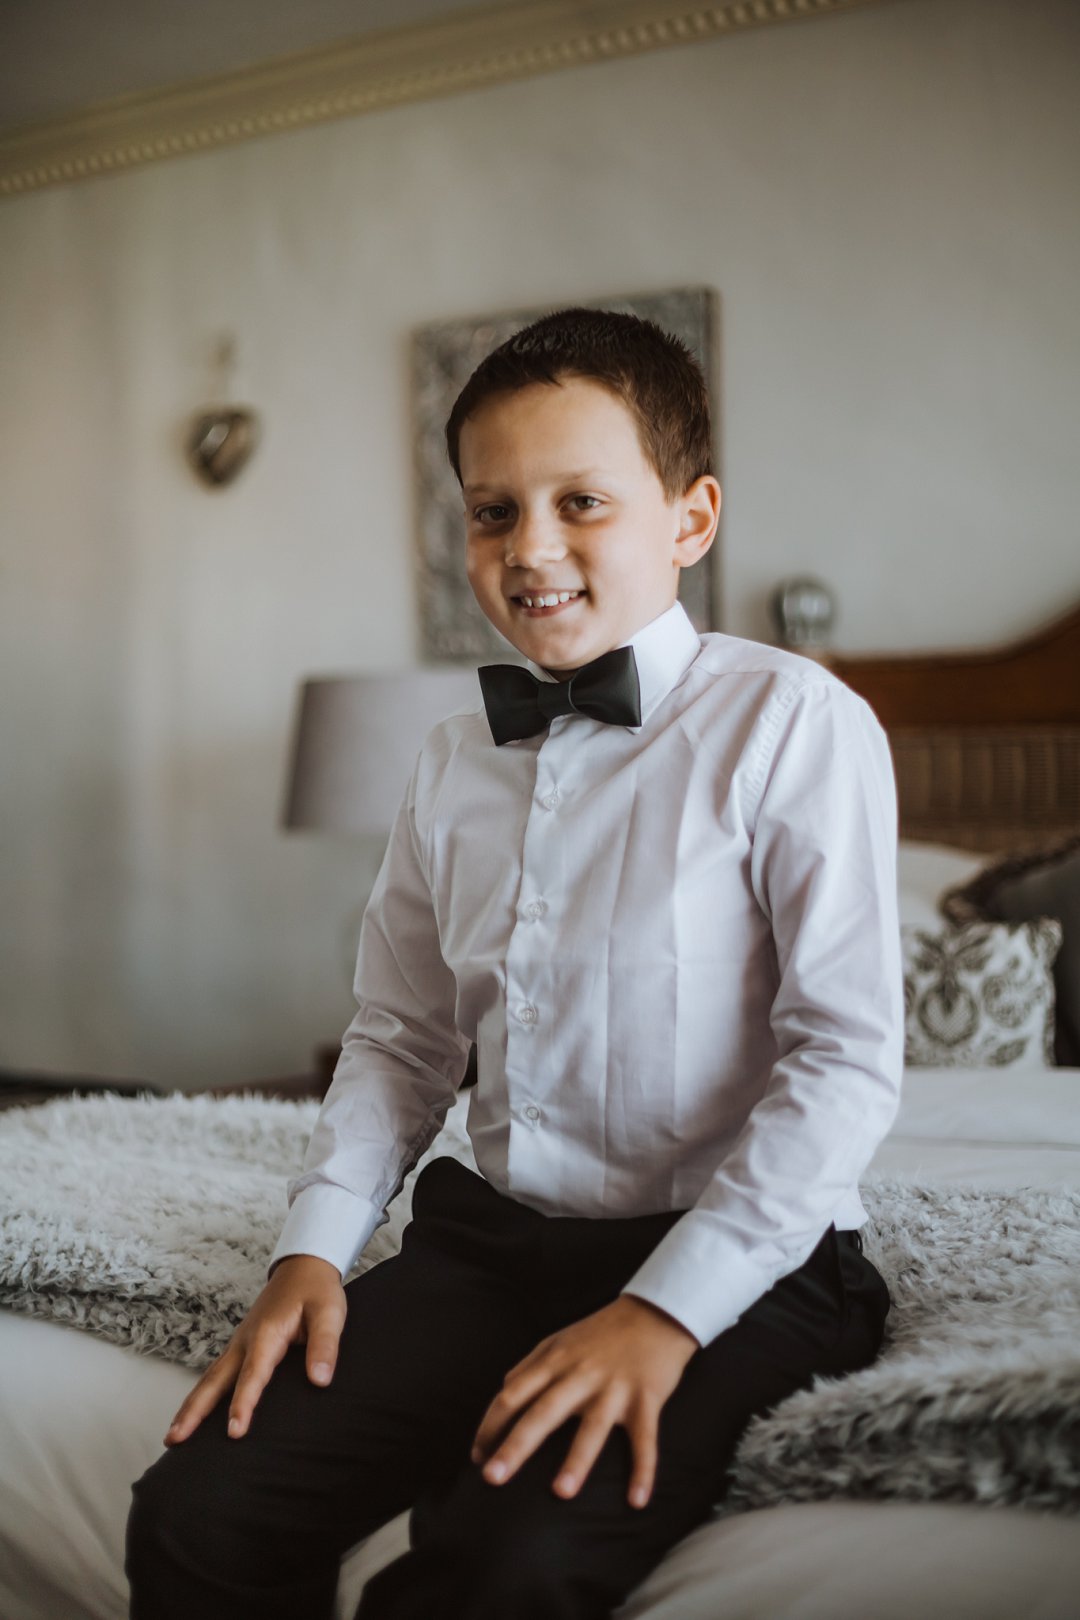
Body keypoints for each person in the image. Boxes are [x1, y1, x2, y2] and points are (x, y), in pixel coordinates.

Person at [126, 307, 901, 1620]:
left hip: (743, 1254)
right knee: (196, 1508)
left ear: (691, 520)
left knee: (510, 1559)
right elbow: (402, 1040)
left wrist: (662, 1316)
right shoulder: (449, 762)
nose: (531, 548)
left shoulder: (793, 723)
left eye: (581, 502)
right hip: (491, 1246)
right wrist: (313, 1250)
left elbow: (843, 1062)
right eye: (494, 512)